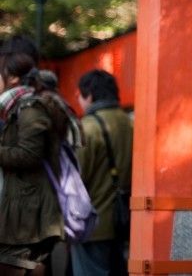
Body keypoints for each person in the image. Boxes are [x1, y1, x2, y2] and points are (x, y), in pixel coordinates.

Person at [0, 50, 77, 276]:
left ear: (12, 78)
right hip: (25, 205)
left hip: (29, 209)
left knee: (24, 267)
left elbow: (29, 154)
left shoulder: (28, 107)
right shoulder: (17, 107)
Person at [72, 70, 132, 276]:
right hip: (122, 220)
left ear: (88, 96)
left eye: (79, 96)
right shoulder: (130, 123)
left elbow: (76, 179)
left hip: (92, 226)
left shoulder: (87, 128)